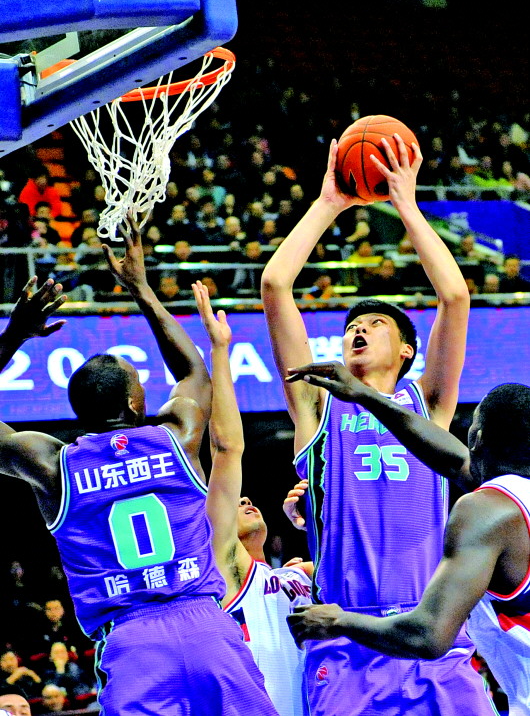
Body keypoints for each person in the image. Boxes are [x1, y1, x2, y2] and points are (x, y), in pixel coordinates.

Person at [0, 222, 279, 716]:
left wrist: (14, 333)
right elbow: (194, 373)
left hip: (132, 644)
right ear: (134, 402)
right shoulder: (176, 438)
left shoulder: (54, 465)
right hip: (207, 626)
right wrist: (141, 289)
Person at [261, 135, 495, 715]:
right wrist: (328, 204)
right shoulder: (319, 408)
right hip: (344, 637)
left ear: (408, 351)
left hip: (430, 633)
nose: (358, 331)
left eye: (375, 325)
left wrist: (406, 207)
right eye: (352, 327)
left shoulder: (427, 404)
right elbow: (275, 286)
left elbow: (455, 296)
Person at [285, 363, 530, 716]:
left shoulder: (485, 510)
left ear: (476, 438)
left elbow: (427, 636)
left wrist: (337, 621)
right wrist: (365, 396)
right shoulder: (512, 501)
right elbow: (452, 460)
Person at [192, 281, 311, 716]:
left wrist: (311, 525)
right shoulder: (225, 567)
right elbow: (226, 448)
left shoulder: (297, 574)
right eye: (235, 502)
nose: (244, 500)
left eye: (247, 499)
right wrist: (219, 351)